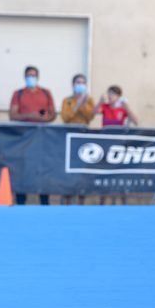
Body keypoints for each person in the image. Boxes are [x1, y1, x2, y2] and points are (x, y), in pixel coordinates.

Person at [9, 65, 56, 205]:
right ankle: (21, 199)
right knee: (22, 167)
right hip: (23, 137)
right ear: (25, 77)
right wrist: (30, 115)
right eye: (29, 75)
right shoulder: (19, 94)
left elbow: (50, 113)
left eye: (34, 75)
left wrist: (41, 116)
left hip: (42, 136)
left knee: (42, 167)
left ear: (38, 77)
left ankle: (44, 199)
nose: (31, 78)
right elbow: (13, 115)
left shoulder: (45, 93)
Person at [96, 85, 139, 205]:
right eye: (109, 93)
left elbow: (136, 121)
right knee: (104, 174)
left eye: (113, 94)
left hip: (119, 146)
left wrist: (127, 108)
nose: (110, 96)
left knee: (120, 174)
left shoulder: (122, 109)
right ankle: (102, 203)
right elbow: (93, 113)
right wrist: (99, 102)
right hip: (105, 145)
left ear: (119, 97)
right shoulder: (104, 107)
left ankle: (123, 203)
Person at [60, 73, 95, 204]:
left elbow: (90, 117)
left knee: (83, 169)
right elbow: (65, 117)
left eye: (83, 83)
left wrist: (84, 104)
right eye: (78, 82)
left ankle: (82, 199)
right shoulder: (67, 100)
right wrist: (77, 104)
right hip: (69, 136)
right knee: (69, 168)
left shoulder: (89, 100)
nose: (80, 85)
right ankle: (67, 199)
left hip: (84, 135)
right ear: (73, 85)